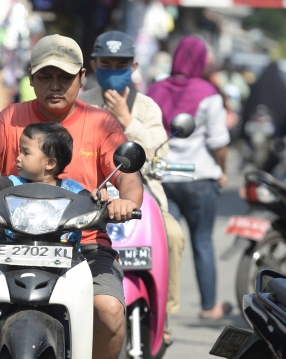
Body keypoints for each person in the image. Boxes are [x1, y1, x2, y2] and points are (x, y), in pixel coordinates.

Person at [0, 34, 143, 359]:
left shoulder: (101, 122)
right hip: (7, 239)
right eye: (46, 77)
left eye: (65, 77)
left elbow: (130, 181)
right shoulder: (10, 118)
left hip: (83, 242)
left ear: (81, 78)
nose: (55, 86)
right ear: (31, 79)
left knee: (108, 308)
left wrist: (126, 203)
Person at [77, 31, 186, 322]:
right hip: (91, 195)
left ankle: (164, 314)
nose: (114, 70)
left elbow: (157, 153)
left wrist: (127, 121)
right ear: (94, 65)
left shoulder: (147, 107)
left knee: (173, 236)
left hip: (143, 196)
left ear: (134, 67)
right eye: (107, 64)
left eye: (121, 64)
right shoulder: (81, 103)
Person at [147, 36, 232, 320]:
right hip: (199, 179)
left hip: (162, 178)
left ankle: (157, 306)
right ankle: (209, 308)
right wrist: (223, 170)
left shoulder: (155, 89)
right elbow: (219, 142)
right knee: (202, 242)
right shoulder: (209, 93)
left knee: (164, 243)